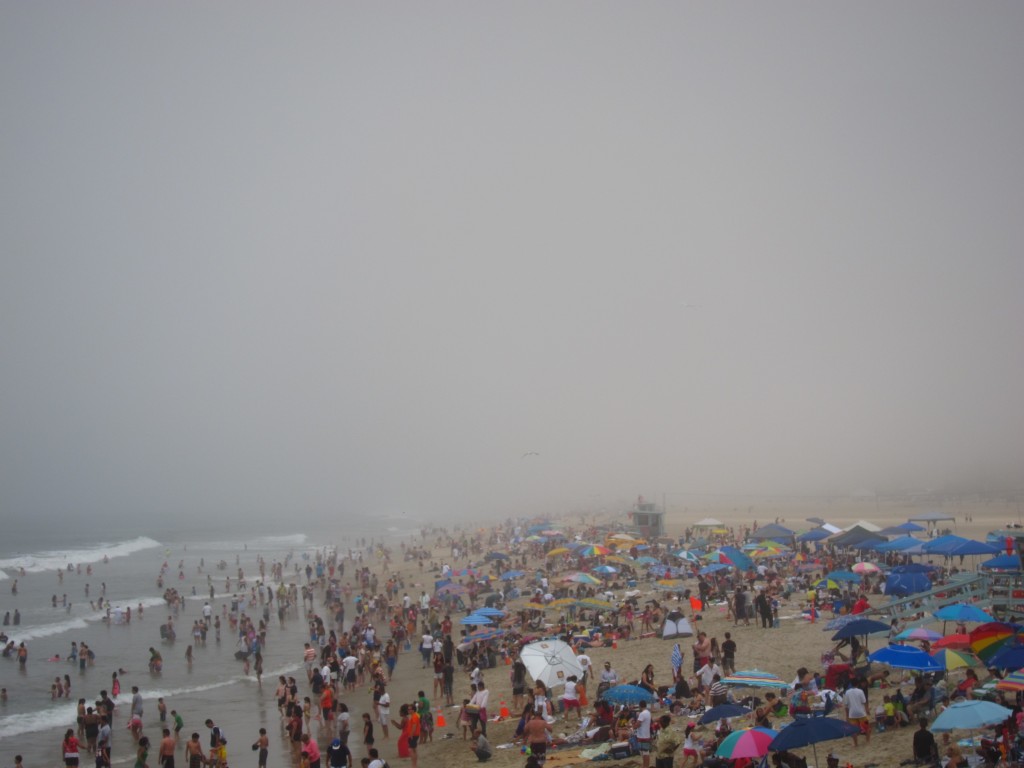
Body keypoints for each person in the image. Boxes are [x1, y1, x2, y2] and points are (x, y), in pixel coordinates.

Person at [633, 699, 652, 768]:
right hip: (646, 734)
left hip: (642, 735)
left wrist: (633, 723)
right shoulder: (648, 712)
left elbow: (637, 725)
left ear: (640, 706)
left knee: (644, 752)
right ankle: (645, 765)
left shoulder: (642, 714)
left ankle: (645, 765)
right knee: (645, 752)